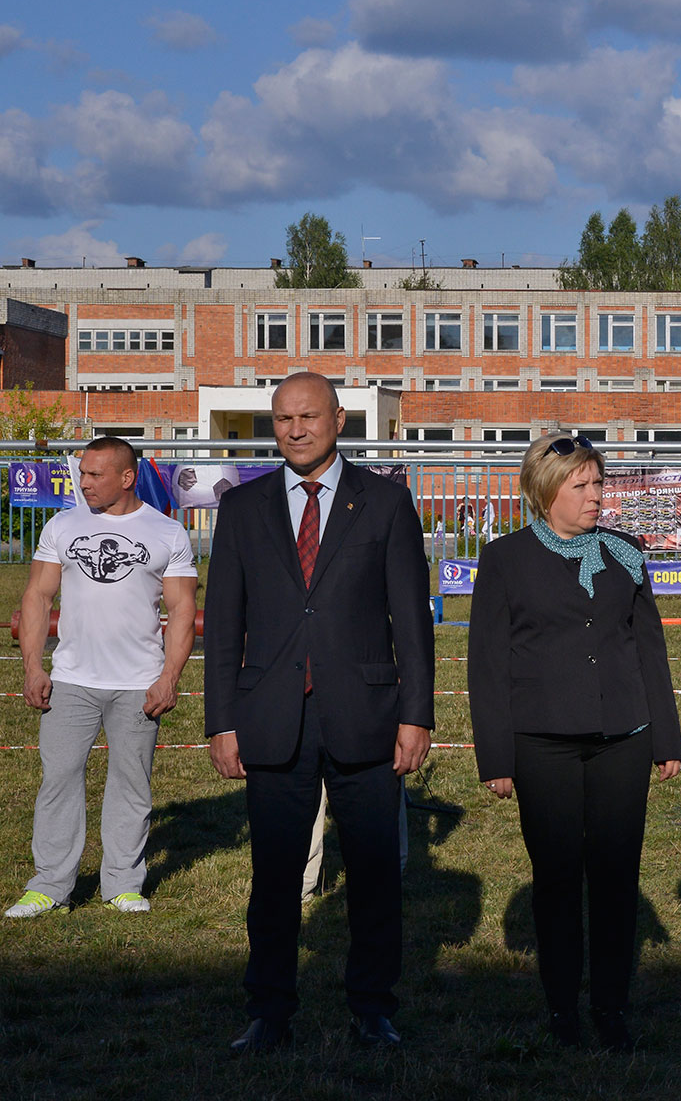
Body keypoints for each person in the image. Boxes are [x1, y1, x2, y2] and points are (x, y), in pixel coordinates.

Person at [204, 372, 434, 1052]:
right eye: (283, 419)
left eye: (308, 416)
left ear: (338, 420)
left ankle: (373, 1009)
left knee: (373, 877)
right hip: (272, 721)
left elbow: (411, 621)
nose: (295, 429)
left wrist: (416, 715)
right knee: (274, 878)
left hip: (367, 717)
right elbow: (224, 625)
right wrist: (222, 720)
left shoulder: (386, 502)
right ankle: (269, 1011)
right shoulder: (241, 508)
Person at [470, 433, 681, 1049]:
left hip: (624, 738)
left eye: (599, 483)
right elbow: (487, 664)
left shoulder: (625, 552)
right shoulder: (505, 559)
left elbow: (650, 648)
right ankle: (562, 1006)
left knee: (616, 878)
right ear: (545, 493)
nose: (596, 496)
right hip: (542, 743)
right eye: (581, 485)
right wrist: (496, 756)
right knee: (558, 878)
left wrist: (667, 739)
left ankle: (611, 1007)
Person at [6, 438, 196, 920]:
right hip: (70, 681)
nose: (84, 482)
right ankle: (49, 886)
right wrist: (33, 666)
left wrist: (169, 677)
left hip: (139, 683)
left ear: (127, 478)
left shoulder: (167, 532)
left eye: (94, 475)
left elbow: (181, 610)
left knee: (131, 784)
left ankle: (122, 885)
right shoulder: (62, 526)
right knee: (58, 781)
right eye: (82, 473)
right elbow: (37, 596)